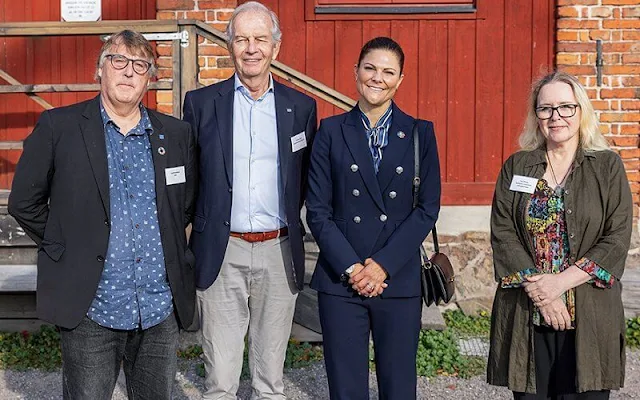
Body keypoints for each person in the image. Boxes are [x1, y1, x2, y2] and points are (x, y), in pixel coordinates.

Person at [8, 30, 196, 399]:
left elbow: (184, 205)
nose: (128, 72)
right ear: (100, 69)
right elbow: (24, 202)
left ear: (149, 77)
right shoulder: (59, 127)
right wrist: (66, 245)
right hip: (92, 305)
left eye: (139, 65)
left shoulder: (175, 134)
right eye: (119, 61)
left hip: (158, 306)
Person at [182, 2, 317, 398]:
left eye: (260, 39)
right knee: (220, 379)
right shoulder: (201, 104)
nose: (251, 48)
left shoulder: (301, 108)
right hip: (222, 251)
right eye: (242, 39)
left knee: (270, 380)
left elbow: (304, 178)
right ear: (230, 47)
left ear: (276, 46)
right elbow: (190, 177)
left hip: (278, 250)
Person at [305, 36, 441, 399]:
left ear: (400, 80)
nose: (377, 78)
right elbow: (317, 211)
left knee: (398, 386)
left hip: (397, 277)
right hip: (341, 280)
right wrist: (353, 268)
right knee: (345, 386)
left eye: (388, 71)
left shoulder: (419, 133)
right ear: (356, 72)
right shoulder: (331, 132)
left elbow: (427, 208)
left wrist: (381, 266)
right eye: (370, 68)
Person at [488, 71, 632, 399]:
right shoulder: (518, 166)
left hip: (590, 316)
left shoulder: (607, 167)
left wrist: (559, 283)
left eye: (566, 107)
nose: (556, 117)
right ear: (535, 116)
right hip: (528, 313)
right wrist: (544, 294)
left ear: (581, 112)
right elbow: (503, 232)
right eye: (545, 108)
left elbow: (617, 237)